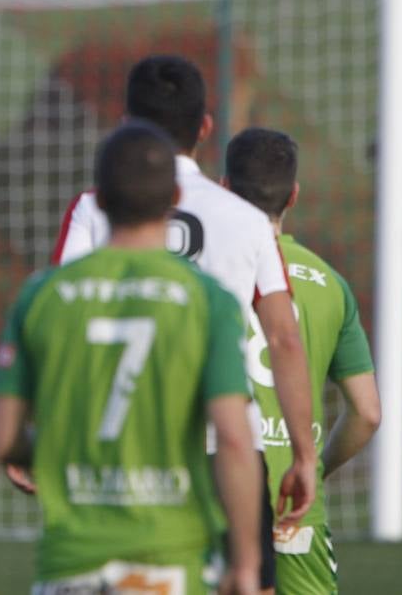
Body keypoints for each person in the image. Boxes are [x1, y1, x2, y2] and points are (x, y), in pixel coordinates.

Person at [50, 54, 315, 592]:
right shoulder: (245, 218)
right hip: (226, 453)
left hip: (122, 455)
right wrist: (304, 455)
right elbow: (284, 338)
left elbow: (61, 315)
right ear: (205, 127)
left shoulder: (91, 209)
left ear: (125, 124)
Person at [0, 121, 262, 595]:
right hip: (170, 562)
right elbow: (236, 440)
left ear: (101, 200)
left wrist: (48, 455)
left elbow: (0, 436)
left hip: (70, 563)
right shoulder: (207, 299)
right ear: (175, 197)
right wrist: (245, 561)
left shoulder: (43, 294)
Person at [224, 128, 381, 594]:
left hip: (216, 487)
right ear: (293, 195)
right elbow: (368, 413)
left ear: (225, 188)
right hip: (294, 506)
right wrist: (312, 465)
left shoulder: (202, 273)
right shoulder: (330, 283)